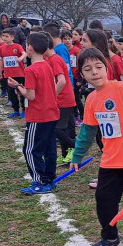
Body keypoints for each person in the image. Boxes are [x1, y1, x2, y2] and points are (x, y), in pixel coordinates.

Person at [70, 47, 123, 246]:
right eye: (88, 69)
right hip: (111, 159)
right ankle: (110, 239)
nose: (94, 72)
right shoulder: (91, 99)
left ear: (107, 67)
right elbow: (87, 131)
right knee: (104, 200)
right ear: (82, 74)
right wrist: (77, 155)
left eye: (98, 67)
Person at [8, 32, 60, 195]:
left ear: (30, 47)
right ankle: (49, 179)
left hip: (38, 116)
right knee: (49, 149)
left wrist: (18, 87)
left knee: (30, 150)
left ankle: (40, 181)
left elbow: (31, 96)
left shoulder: (30, 70)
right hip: (51, 113)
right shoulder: (47, 65)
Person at [43, 31, 78, 164]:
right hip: (61, 98)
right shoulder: (49, 59)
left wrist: (51, 96)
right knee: (63, 128)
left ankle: (75, 145)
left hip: (64, 99)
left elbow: (62, 81)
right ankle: (66, 155)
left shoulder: (55, 59)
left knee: (57, 128)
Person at [0, 28, 27, 118]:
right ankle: (15, 110)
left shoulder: (17, 46)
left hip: (19, 74)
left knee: (22, 93)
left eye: (7, 36)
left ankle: (24, 110)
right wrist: (0, 72)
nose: (4, 38)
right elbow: (2, 60)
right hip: (8, 75)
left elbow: (24, 53)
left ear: (12, 37)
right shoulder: (2, 48)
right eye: (3, 36)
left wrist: (20, 58)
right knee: (11, 94)